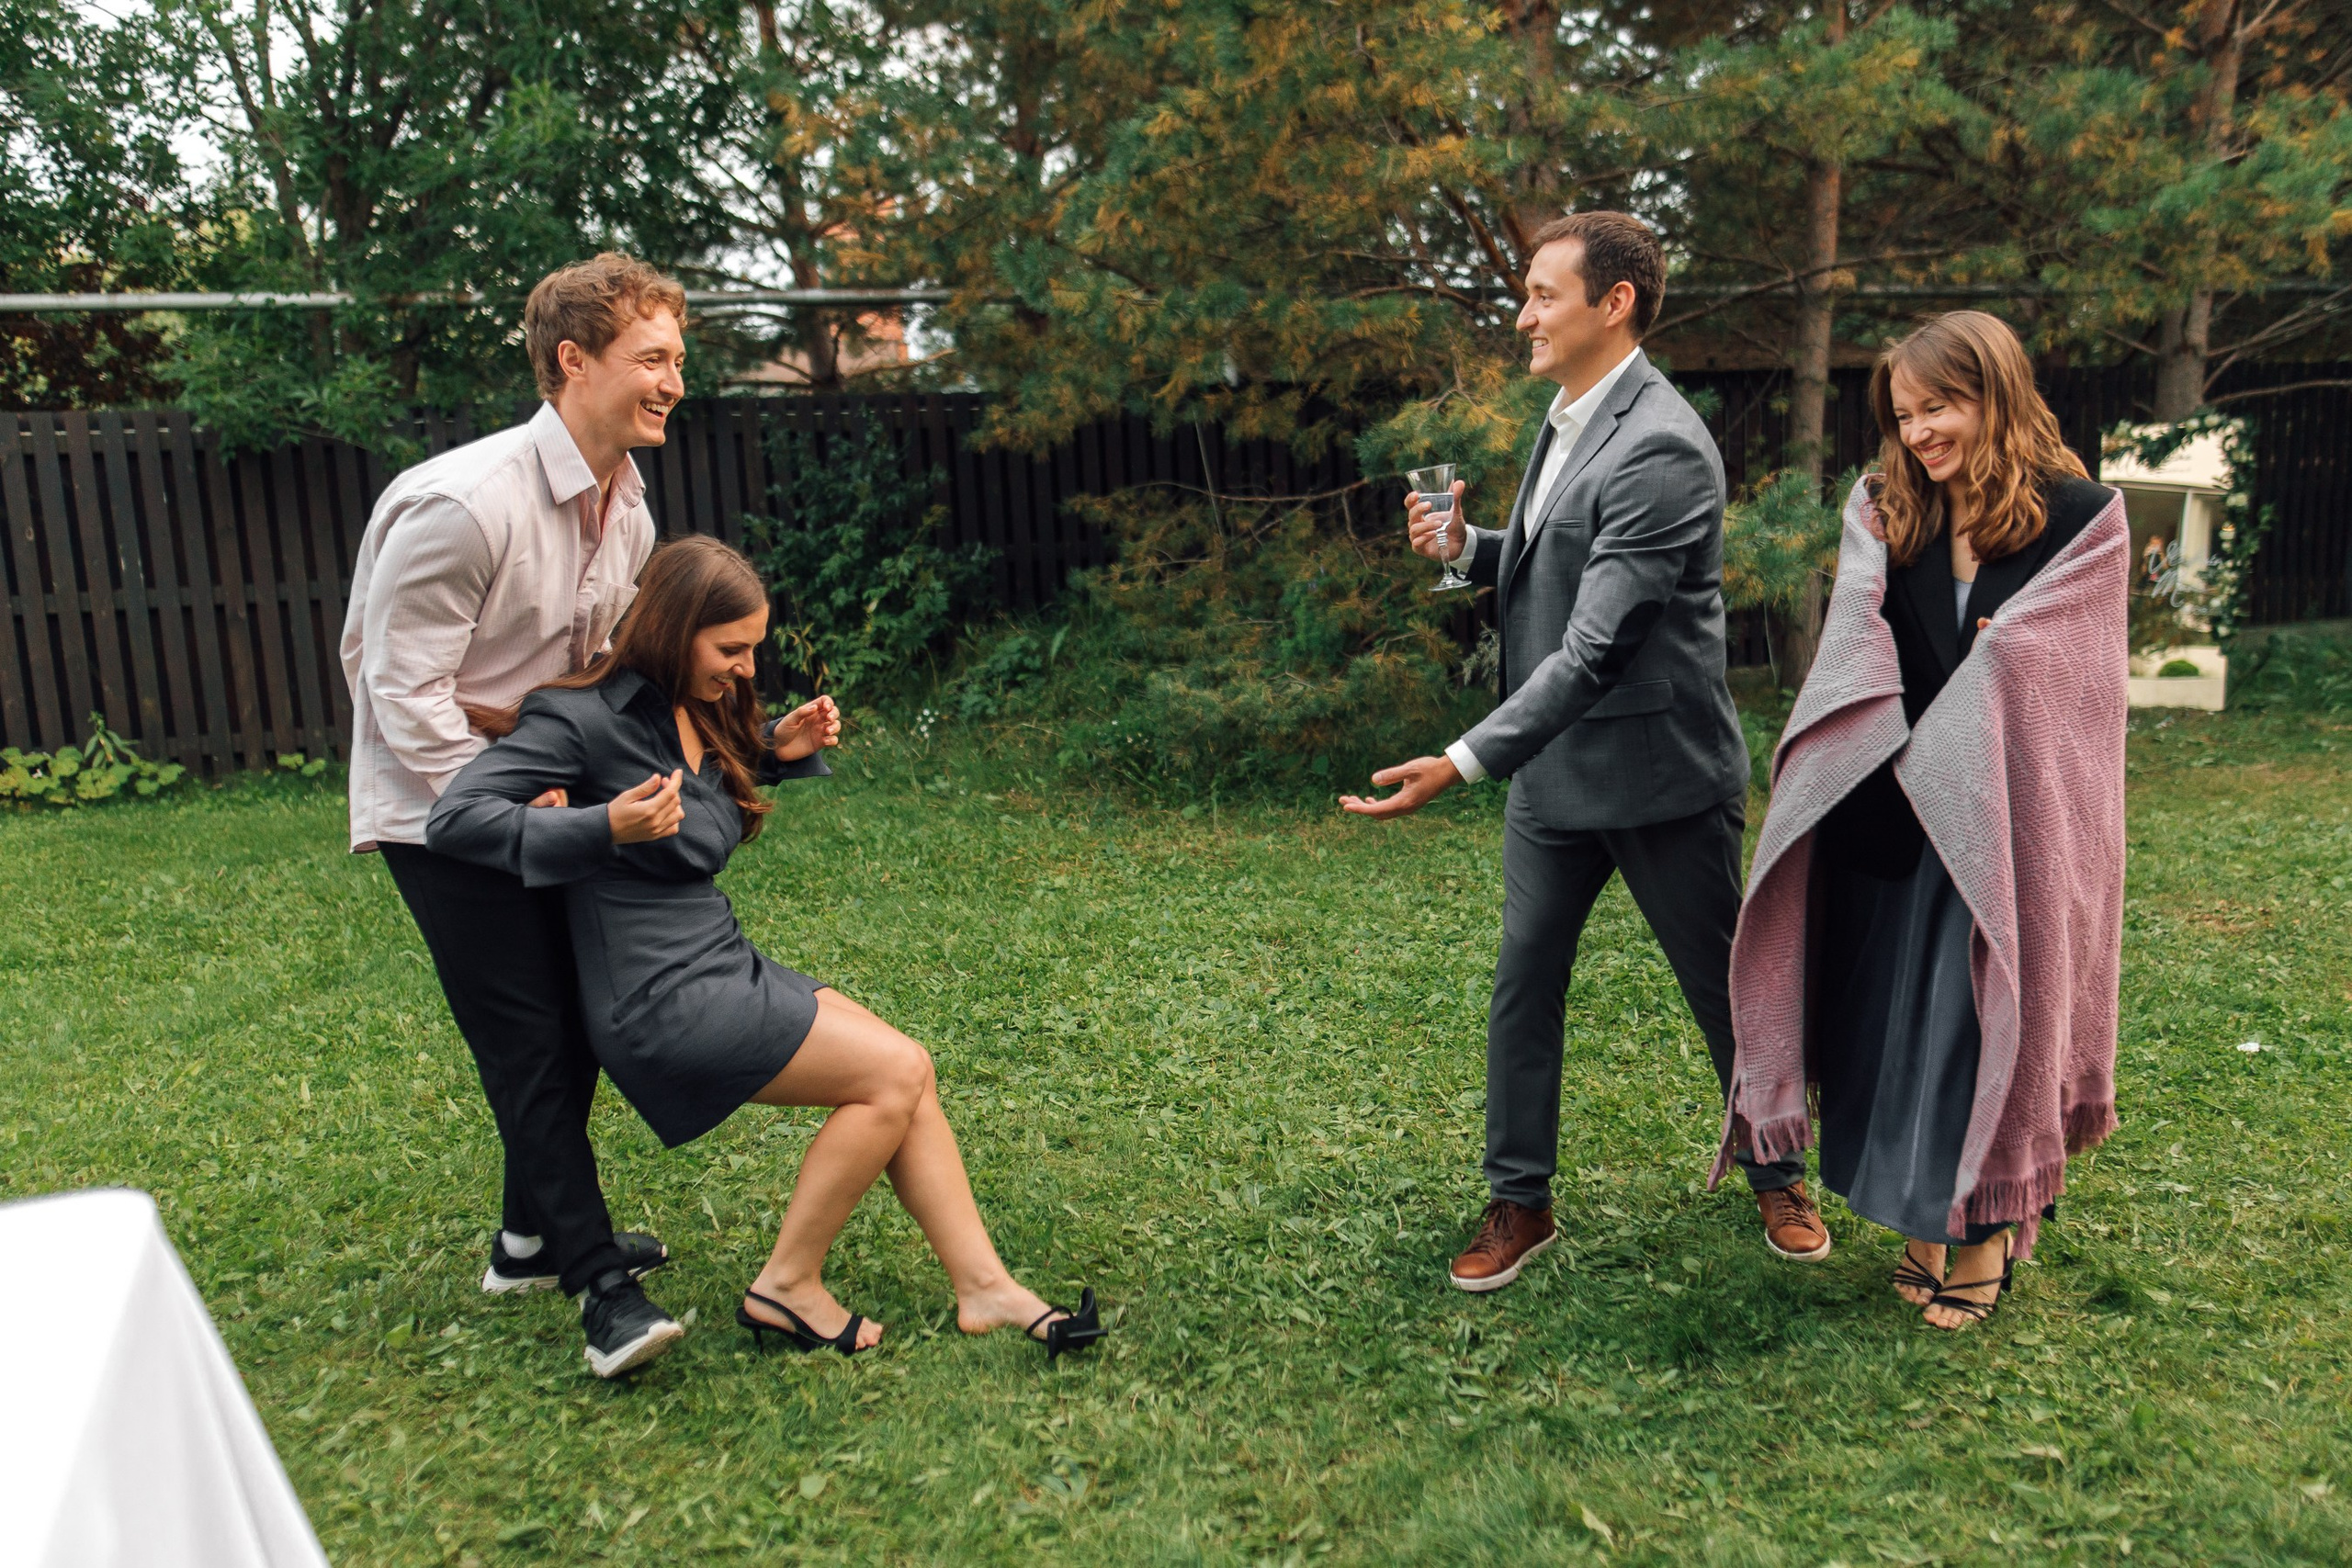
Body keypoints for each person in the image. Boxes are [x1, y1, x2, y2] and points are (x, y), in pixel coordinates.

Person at [426, 536, 1106, 1364]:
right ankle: (787, 1286)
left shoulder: (695, 710)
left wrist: (775, 745)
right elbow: (455, 820)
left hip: (716, 958)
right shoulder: (578, 719)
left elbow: (706, 777)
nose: (748, 668)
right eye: (731, 648)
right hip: (659, 996)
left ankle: (985, 1287)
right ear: (675, 630)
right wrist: (603, 825)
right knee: (892, 1076)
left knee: (909, 1073)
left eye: (754, 647)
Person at [1340, 210, 1825, 1293]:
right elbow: (1562, 561)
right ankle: (1521, 1199)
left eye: (1541, 295)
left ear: (1615, 305)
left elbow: (1596, 644)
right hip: (1556, 781)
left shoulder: (1660, 442)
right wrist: (1470, 549)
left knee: (1724, 991)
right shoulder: (1566, 417)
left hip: (1659, 779)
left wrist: (1462, 760)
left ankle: (1776, 1170)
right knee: (1524, 983)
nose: (1522, 315)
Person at [1720, 310, 2126, 1330]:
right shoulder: (1884, 510)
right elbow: (1857, 644)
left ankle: (1980, 1238)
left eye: (1938, 407)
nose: (1918, 434)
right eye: (1903, 415)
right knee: (1883, 1032)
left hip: (2001, 825)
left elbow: (2065, 676)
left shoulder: (2081, 517)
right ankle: (1914, 1222)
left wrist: (1993, 665)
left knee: (1972, 1030)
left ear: (1995, 395)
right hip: (1888, 814)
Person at [340, 253, 685, 1377]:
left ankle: (527, 1238)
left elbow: (589, 669)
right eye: (651, 359)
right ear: (572, 362)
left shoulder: (626, 504)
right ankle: (599, 1288)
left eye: (678, 359)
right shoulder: (463, 504)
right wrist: (503, 798)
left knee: (572, 1021)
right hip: (435, 809)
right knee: (526, 1040)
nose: (673, 381)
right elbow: (396, 690)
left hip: (545, 795)